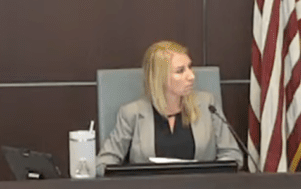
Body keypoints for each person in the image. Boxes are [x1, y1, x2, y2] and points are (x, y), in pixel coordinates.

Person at [96, 41, 244, 174]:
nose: (191, 76)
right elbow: (104, 163)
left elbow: (233, 156)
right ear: (159, 78)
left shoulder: (207, 104)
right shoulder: (132, 113)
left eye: (190, 67)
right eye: (180, 71)